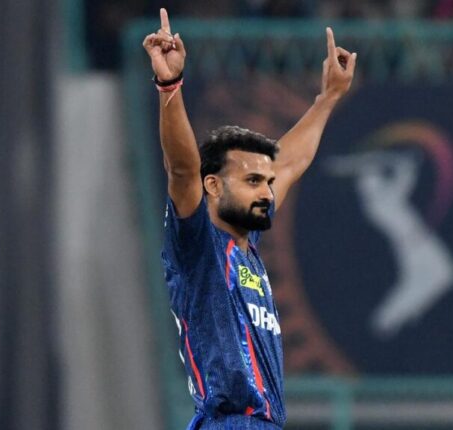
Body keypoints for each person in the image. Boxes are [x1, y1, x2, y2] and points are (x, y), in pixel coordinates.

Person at [143, 8, 356, 429]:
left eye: (266, 183)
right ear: (213, 186)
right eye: (253, 181)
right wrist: (170, 85)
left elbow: (289, 162)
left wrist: (328, 98)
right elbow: (182, 170)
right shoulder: (200, 249)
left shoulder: (247, 249)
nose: (266, 192)